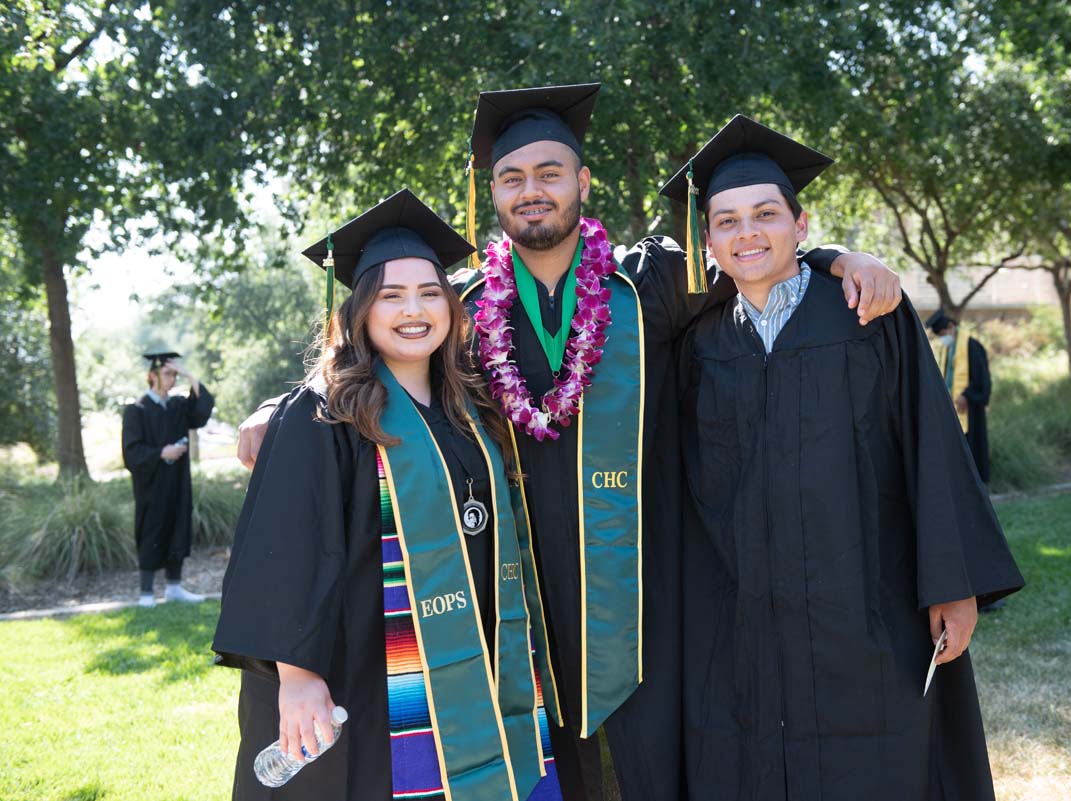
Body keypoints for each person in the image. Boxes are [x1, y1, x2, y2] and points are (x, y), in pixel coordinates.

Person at [236, 84, 902, 801]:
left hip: (641, 600)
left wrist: (839, 257)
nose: (532, 191)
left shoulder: (648, 283)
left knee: (653, 767)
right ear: (492, 194)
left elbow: (749, 254)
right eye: (512, 178)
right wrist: (283, 406)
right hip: (516, 604)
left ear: (582, 182)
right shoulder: (466, 309)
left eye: (550, 173)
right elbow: (382, 349)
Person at [662, 115, 1024, 800]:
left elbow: (930, 445)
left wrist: (954, 585)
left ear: (800, 225)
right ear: (707, 240)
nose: (747, 233)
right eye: (727, 221)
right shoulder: (698, 339)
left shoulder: (865, 314)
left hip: (865, 602)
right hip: (743, 613)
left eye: (766, 214)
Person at [212, 190, 562, 801]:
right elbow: (286, 545)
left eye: (430, 293)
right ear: (360, 311)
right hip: (370, 665)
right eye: (391, 296)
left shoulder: (470, 402)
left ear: (451, 304)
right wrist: (296, 675)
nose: (414, 310)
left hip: (477, 652)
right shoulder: (325, 412)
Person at [121, 351, 214, 607]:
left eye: (174, 374)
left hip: (177, 482)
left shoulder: (177, 406)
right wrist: (162, 452)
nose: (172, 379)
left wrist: (189, 375)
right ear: (152, 376)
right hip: (151, 484)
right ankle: (146, 593)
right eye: (167, 373)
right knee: (151, 529)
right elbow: (131, 451)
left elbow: (202, 410)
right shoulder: (137, 410)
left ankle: (174, 587)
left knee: (177, 525)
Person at [926, 309, 992, 483]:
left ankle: (975, 486)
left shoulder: (972, 346)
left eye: (943, 334)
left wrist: (967, 395)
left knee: (972, 451)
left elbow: (982, 380)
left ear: (951, 326)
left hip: (970, 411)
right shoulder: (948, 349)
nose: (943, 338)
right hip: (951, 410)